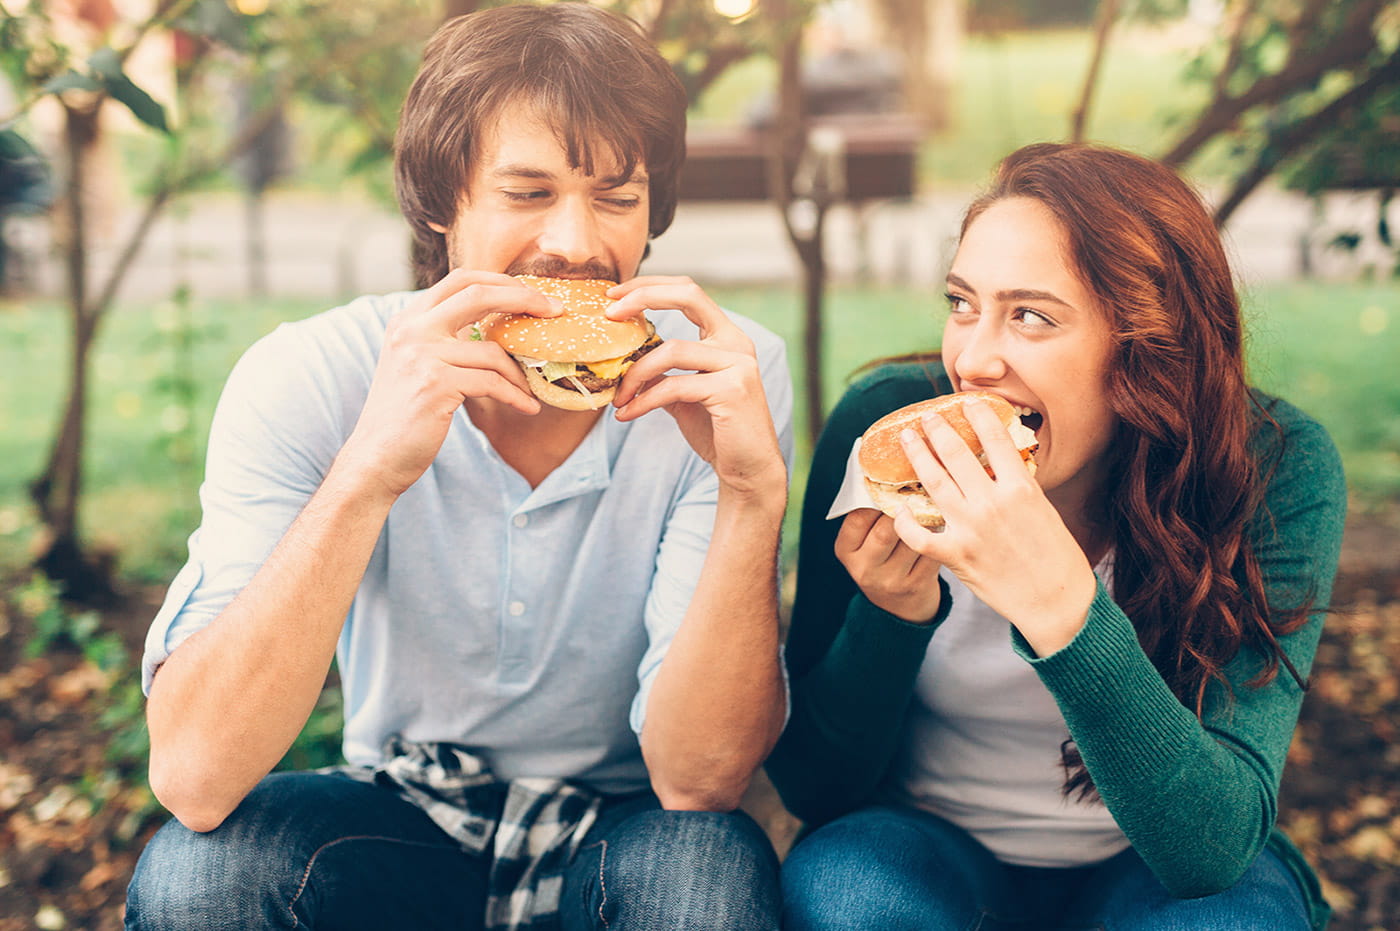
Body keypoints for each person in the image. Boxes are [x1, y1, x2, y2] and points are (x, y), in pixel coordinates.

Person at [124, 5, 793, 930]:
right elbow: (193, 776)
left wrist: (752, 496)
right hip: (399, 813)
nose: (578, 244)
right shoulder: (311, 374)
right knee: (198, 882)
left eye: (616, 194)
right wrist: (369, 470)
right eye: (528, 193)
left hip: (631, 821)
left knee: (703, 879)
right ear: (443, 203)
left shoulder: (722, 374)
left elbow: (699, 778)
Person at [767, 142, 1345, 930]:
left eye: (1030, 316)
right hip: (925, 848)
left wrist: (1064, 609)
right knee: (846, 896)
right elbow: (815, 789)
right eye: (962, 302)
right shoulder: (881, 435)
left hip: (1157, 870)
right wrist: (891, 614)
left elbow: (1211, 850)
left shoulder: (1273, 468)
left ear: (1149, 347)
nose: (971, 359)